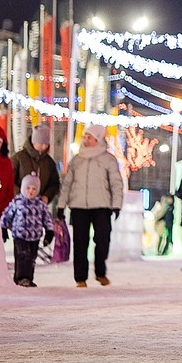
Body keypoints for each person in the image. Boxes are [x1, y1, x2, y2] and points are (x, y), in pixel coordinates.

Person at [59, 123, 124, 288]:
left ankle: (100, 272)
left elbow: (116, 184)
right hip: (79, 206)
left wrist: (116, 205)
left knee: (103, 239)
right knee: (80, 242)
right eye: (85, 137)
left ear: (98, 139)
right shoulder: (77, 160)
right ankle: (80, 277)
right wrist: (61, 205)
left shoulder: (108, 159)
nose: (86, 140)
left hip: (102, 206)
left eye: (90, 137)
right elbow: (67, 184)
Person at [0, 173, 55, 287]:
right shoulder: (18, 201)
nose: (31, 191)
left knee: (31, 258)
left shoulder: (40, 204)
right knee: (22, 255)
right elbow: (7, 214)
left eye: (34, 189)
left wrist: (49, 232)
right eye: (28, 188)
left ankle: (28, 277)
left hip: (34, 236)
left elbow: (47, 218)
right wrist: (3, 227)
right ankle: (20, 277)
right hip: (20, 235)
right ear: (23, 188)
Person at [11, 123, 61, 210]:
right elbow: (10, 181)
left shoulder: (49, 162)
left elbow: (54, 183)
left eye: (46, 144)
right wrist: (22, 194)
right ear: (34, 141)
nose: (44, 146)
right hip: (20, 205)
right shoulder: (19, 158)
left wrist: (47, 196)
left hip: (39, 206)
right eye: (41, 143)